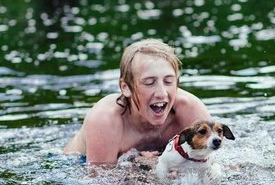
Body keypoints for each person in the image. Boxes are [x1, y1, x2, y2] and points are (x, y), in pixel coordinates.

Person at [64, 38, 211, 164]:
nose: (161, 93)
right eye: (149, 83)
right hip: (78, 162)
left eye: (168, 81)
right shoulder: (105, 119)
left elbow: (213, 165)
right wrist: (139, 166)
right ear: (125, 87)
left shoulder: (191, 111)